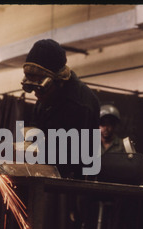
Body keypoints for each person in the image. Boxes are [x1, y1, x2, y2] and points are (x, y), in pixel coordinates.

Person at [22, 38, 100, 179]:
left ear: (57, 80)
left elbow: (69, 159)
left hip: (74, 185)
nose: (36, 94)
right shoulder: (47, 97)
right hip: (47, 176)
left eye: (40, 88)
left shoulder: (79, 104)